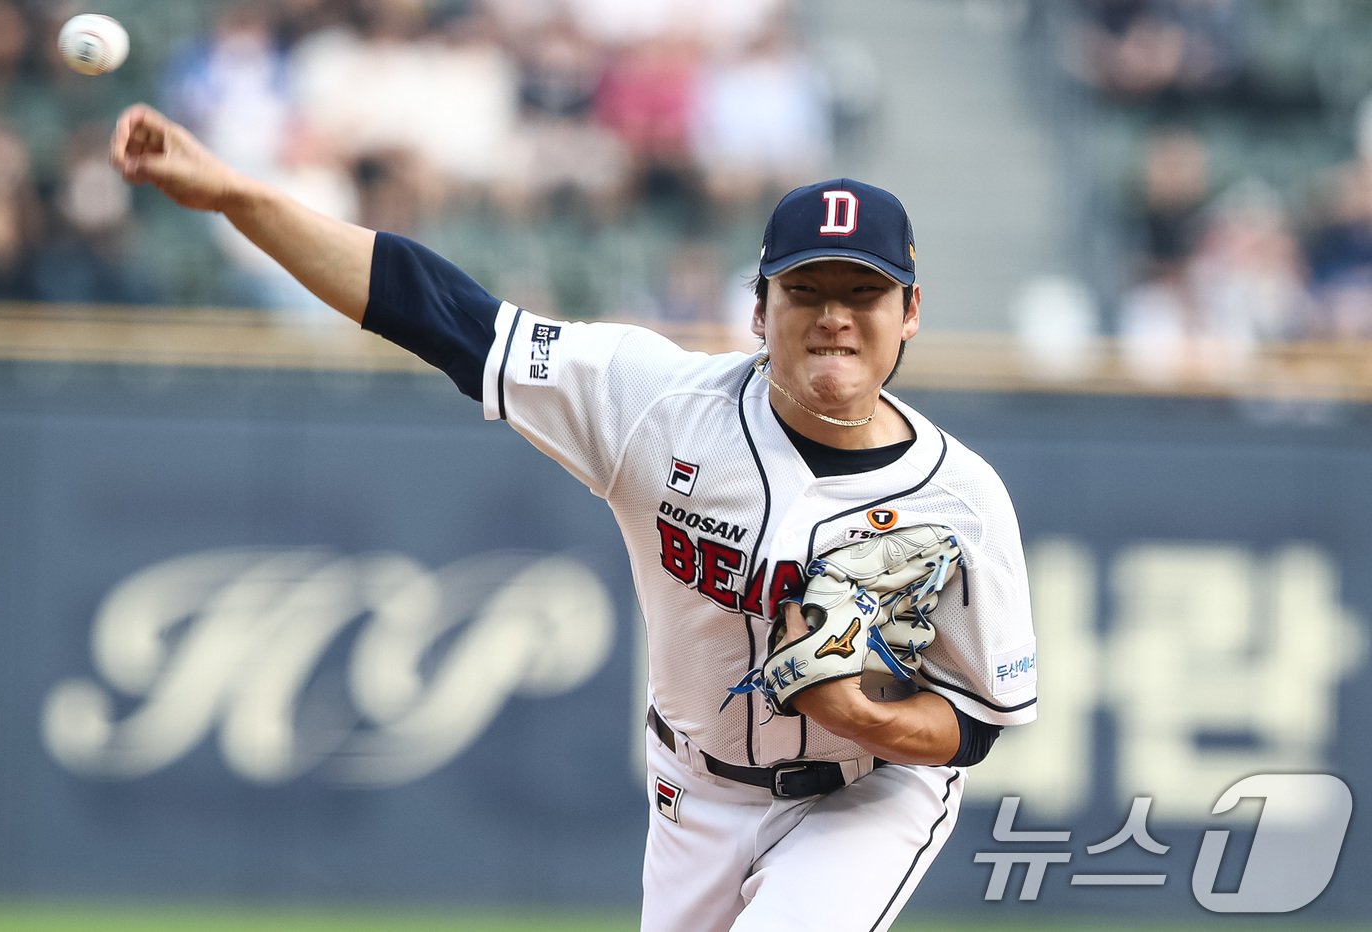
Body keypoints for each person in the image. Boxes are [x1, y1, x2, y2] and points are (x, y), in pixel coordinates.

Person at [109, 103, 1037, 931]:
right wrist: (237, 195)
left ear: (911, 311)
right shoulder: (657, 404)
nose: (835, 316)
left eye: (863, 292)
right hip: (693, 791)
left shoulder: (962, 499)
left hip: (866, 798)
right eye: (806, 290)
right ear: (758, 309)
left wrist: (862, 719)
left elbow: (980, 721)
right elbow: (441, 312)